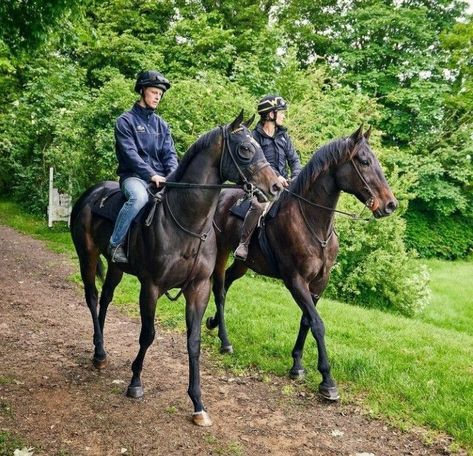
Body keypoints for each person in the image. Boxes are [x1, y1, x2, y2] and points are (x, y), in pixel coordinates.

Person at [108, 70, 178, 263]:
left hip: (163, 178)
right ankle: (115, 244)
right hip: (133, 177)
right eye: (155, 92)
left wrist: (173, 175)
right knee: (138, 198)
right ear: (142, 90)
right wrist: (151, 175)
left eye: (160, 94)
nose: (158, 97)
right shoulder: (125, 121)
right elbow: (130, 155)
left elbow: (169, 154)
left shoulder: (161, 125)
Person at [234, 95, 302, 261]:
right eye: (281, 112)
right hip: (261, 184)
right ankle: (244, 243)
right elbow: (259, 163)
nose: (284, 116)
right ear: (271, 114)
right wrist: (277, 177)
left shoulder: (284, 136)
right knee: (258, 206)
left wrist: (296, 176)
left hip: (284, 184)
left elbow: (294, 160)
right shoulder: (254, 137)